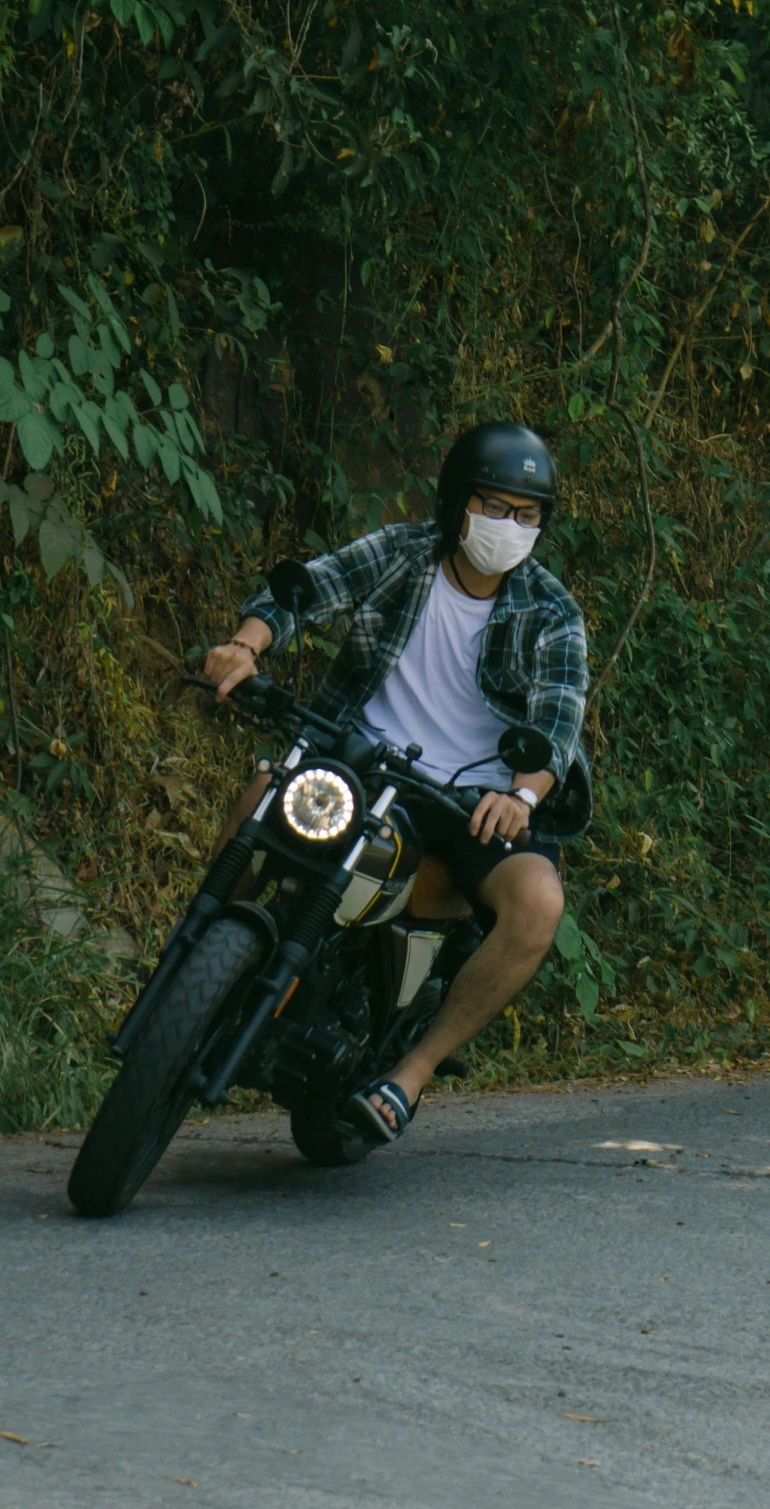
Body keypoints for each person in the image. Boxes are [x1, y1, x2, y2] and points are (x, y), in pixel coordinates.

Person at [198, 422, 590, 1146]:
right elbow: (308, 591)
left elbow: (557, 720)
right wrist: (245, 646)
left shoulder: (552, 611)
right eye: (494, 506)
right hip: (360, 760)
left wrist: (522, 795)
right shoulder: (402, 554)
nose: (509, 527)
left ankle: (410, 1072)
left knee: (538, 903)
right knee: (260, 796)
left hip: (473, 805)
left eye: (527, 514)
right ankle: (194, 975)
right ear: (456, 502)